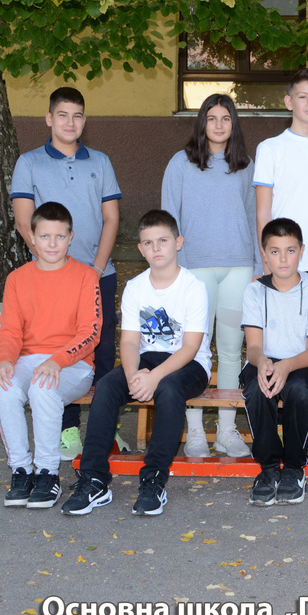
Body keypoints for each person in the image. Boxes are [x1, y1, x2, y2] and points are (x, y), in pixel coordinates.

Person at [63, 210, 212, 517]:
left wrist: (153, 378)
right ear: (141, 249)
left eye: (163, 241)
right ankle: (94, 480)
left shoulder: (193, 287)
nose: (156, 248)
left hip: (190, 364)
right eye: (148, 242)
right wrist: (133, 376)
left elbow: (190, 347)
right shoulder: (135, 287)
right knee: (107, 386)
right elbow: (130, 342)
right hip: (146, 360)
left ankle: (154, 479)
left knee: (169, 389)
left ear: (178, 243)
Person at [10, 86, 121, 461]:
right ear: (49, 118)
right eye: (62, 115)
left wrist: (95, 269)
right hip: (52, 277)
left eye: (77, 116)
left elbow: (111, 219)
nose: (70, 122)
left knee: (101, 349)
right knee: (59, 347)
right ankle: (67, 429)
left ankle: (105, 429)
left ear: (84, 121)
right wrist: (54, 267)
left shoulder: (100, 162)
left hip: (98, 273)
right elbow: (25, 222)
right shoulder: (29, 163)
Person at [162, 93, 260, 459]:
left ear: (234, 124)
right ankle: (195, 432)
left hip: (239, 269)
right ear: (202, 122)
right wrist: (176, 267)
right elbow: (169, 218)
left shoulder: (245, 165)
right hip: (195, 270)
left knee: (232, 350)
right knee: (194, 350)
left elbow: (253, 216)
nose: (219, 125)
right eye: (212, 118)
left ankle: (227, 430)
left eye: (226, 118)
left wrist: (259, 267)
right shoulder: (181, 163)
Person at [253, 67, 308, 459]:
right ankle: (278, 430)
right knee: (278, 343)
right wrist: (265, 260)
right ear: (289, 101)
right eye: (303, 96)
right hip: (281, 261)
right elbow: (263, 210)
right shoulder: (270, 148)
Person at [0, 202, 100, 509]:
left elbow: (90, 333)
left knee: (43, 386)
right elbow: (10, 330)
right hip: (28, 359)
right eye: (44, 236)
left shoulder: (85, 276)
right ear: (32, 237)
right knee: (3, 388)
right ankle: (21, 470)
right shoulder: (17, 279)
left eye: (60, 236)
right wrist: (4, 360)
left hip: (73, 363)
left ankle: (48, 473)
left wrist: (57, 360)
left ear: (71, 237)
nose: (52, 244)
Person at [240, 218, 308, 507]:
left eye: (290, 251)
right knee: (257, 388)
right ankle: (268, 469)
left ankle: (294, 468)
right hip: (267, 359)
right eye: (275, 251)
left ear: (301, 251)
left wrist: (285, 366)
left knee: (297, 389)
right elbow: (254, 347)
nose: (283, 259)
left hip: (306, 362)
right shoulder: (254, 291)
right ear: (264, 253)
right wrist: (263, 362)